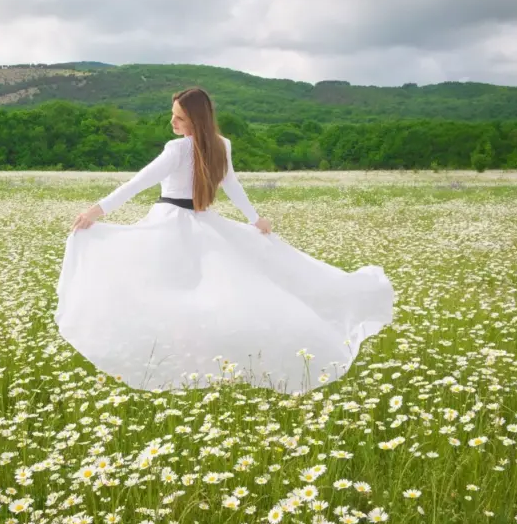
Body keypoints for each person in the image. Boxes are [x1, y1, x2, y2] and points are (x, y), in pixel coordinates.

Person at [55, 87, 394, 394]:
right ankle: (202, 362)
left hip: (172, 226)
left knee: (165, 293)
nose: (171, 122)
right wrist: (253, 218)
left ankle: (186, 363)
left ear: (195, 120)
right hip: (202, 224)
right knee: (204, 296)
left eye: (179, 117)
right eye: (173, 114)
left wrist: (94, 212)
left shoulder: (178, 150)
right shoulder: (221, 145)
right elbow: (232, 185)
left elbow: (137, 183)